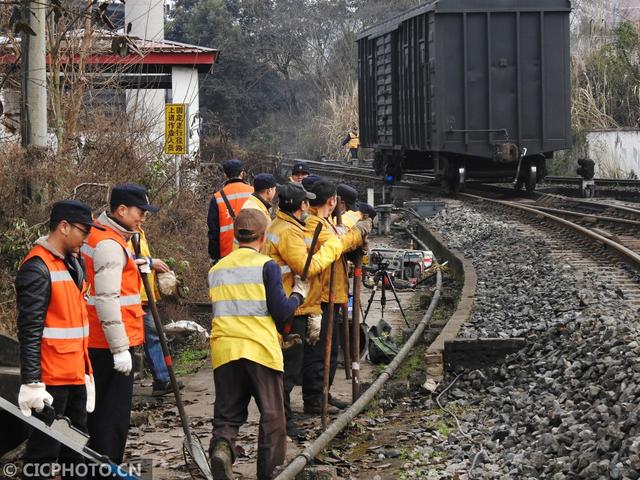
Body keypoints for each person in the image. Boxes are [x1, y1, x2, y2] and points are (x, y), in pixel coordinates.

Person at [208, 209, 309, 480]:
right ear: (263, 237)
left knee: (227, 415)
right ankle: (270, 473)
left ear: (234, 235)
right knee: (273, 418)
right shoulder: (267, 267)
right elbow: (282, 312)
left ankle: (221, 451)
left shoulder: (217, 269)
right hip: (260, 351)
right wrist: (299, 294)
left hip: (225, 350)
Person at [16, 200, 102, 479]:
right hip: (51, 381)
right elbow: (29, 330)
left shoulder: (72, 264)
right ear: (63, 226)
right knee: (43, 453)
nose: (87, 238)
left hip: (74, 374)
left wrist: (85, 373)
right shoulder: (37, 268)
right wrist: (31, 383)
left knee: (74, 450)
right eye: (84, 231)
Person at [81, 184, 158, 465]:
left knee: (97, 413)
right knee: (112, 417)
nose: (144, 218)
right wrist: (120, 349)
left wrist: (135, 265)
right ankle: (107, 467)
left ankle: (96, 466)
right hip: (109, 343)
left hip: (96, 340)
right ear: (121, 210)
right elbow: (107, 299)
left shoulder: (103, 235)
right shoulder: (110, 245)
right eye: (141, 212)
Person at [264, 183, 344, 439]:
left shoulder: (282, 225)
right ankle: (283, 424)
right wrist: (333, 248)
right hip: (291, 306)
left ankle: (283, 420)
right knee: (288, 371)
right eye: (306, 203)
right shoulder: (288, 232)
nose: (309, 207)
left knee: (289, 369)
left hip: (290, 303)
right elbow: (305, 268)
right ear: (301, 206)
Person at [301, 180, 373, 413]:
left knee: (329, 351)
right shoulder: (313, 224)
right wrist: (359, 232)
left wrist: (357, 221)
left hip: (332, 291)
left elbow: (341, 231)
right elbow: (338, 242)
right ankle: (314, 399)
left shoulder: (323, 220)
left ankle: (324, 393)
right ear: (332, 201)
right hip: (320, 295)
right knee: (320, 351)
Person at [127, 225, 175, 396]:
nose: (144, 215)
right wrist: (150, 262)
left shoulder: (138, 231)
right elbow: (124, 259)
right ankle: (162, 379)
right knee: (150, 336)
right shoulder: (124, 233)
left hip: (143, 295)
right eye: (141, 210)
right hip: (133, 295)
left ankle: (163, 379)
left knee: (153, 336)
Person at [207, 159, 254, 263]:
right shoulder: (254, 192)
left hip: (227, 254)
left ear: (225, 175)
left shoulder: (217, 197)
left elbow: (213, 231)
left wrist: (214, 257)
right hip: (253, 250)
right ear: (242, 173)